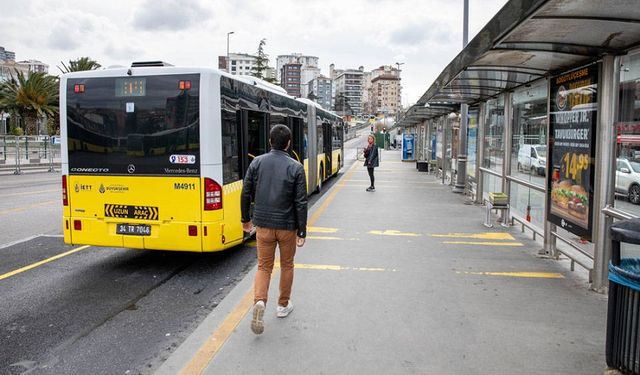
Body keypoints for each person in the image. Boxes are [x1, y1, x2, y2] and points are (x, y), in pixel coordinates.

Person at [241, 124, 307, 335]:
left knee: (263, 266)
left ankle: (260, 302)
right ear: (288, 144)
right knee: (287, 265)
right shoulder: (296, 167)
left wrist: (245, 219)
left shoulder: (257, 163)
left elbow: (246, 192)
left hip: (263, 225)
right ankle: (282, 305)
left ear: (270, 141)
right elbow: (301, 202)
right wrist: (302, 230)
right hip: (287, 227)